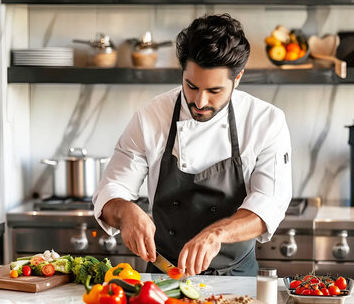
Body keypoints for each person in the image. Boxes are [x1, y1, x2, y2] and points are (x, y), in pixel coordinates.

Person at [93, 14, 292, 277]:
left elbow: (268, 204)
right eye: (191, 85)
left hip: (237, 277)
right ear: (182, 72)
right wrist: (126, 211)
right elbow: (111, 190)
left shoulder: (265, 121)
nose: (199, 101)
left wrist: (216, 233)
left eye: (214, 91)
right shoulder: (151, 117)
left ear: (238, 78)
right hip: (165, 275)